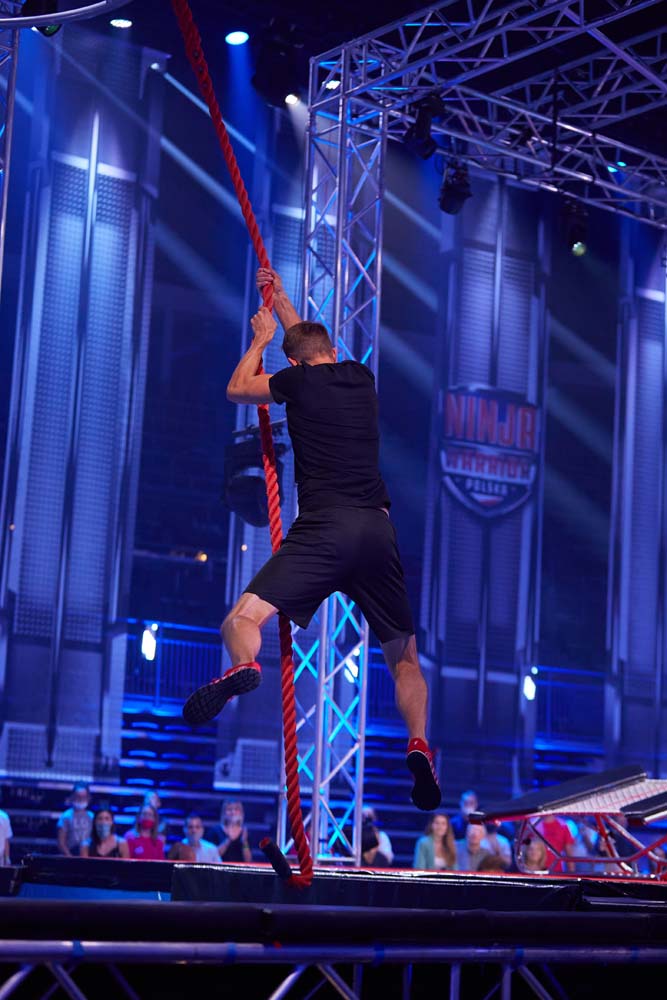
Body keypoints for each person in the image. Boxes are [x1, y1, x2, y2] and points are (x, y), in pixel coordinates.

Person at [182, 267, 441, 813]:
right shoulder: (360, 378)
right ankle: (419, 743)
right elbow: (308, 344)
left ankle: (243, 666)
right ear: (332, 353)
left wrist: (261, 339)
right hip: (377, 530)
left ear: (295, 365)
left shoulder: (295, 383)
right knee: (405, 659)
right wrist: (281, 301)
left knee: (242, 620)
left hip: (324, 530)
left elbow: (237, 388)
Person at [56, 782, 93, 857]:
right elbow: (61, 842)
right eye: (78, 797)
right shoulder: (66, 816)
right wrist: (70, 857)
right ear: (72, 797)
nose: (81, 799)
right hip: (70, 854)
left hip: (88, 855)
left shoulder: (92, 816)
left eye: (83, 797)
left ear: (88, 798)